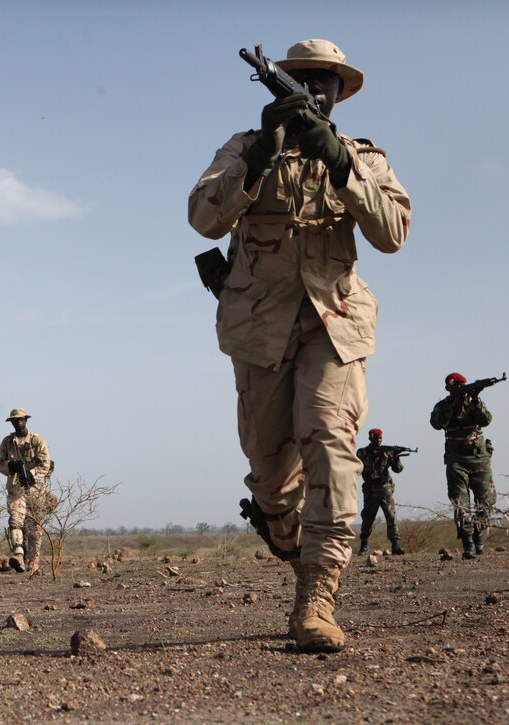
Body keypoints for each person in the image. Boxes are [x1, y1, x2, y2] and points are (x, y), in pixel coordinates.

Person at [188, 39, 411, 653]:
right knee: (271, 478)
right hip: (259, 329)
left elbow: (393, 233)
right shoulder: (243, 148)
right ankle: (291, 542)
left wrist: (339, 163)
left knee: (329, 435)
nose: (315, 90)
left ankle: (318, 594)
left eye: (326, 82)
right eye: (302, 79)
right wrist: (262, 151)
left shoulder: (361, 156)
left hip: (333, 324)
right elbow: (204, 218)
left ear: (340, 94)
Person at [430, 372, 495, 559]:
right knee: (461, 503)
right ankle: (468, 542)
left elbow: (486, 420)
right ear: (448, 388)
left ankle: (479, 535)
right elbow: (437, 423)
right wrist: (455, 403)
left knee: (485, 501)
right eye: (456, 386)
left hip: (479, 459)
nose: (460, 389)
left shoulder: (475, 403)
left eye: (462, 386)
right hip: (456, 459)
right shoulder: (443, 406)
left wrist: (475, 399)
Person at [0, 408, 53, 574]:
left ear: (25, 420)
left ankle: (33, 562)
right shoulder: (7, 442)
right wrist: (10, 466)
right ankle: (19, 554)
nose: (18, 422)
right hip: (16, 487)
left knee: (34, 526)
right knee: (15, 520)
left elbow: (45, 464)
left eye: (20, 419)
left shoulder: (37, 440)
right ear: (11, 422)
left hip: (35, 488)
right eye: (15, 420)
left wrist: (31, 474)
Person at [355, 428, 406, 556]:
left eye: (380, 438)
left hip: (385, 489)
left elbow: (398, 469)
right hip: (370, 490)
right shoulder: (363, 453)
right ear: (370, 438)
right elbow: (357, 468)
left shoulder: (387, 452)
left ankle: (395, 544)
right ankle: (364, 545)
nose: (378, 440)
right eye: (376, 438)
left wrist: (395, 457)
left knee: (391, 516)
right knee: (367, 518)